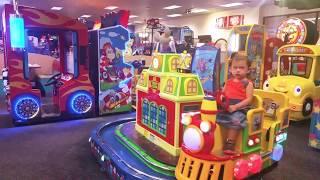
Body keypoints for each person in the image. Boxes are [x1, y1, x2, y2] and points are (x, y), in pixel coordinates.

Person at [217, 53, 254, 154]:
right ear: (230, 69)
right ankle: (216, 141)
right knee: (215, 117)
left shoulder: (247, 83)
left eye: (241, 68)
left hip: (240, 109)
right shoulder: (228, 82)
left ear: (248, 70)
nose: (238, 70)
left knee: (236, 120)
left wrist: (236, 107)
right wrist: (221, 98)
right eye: (235, 67)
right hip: (227, 107)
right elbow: (223, 94)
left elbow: (249, 99)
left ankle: (230, 143)